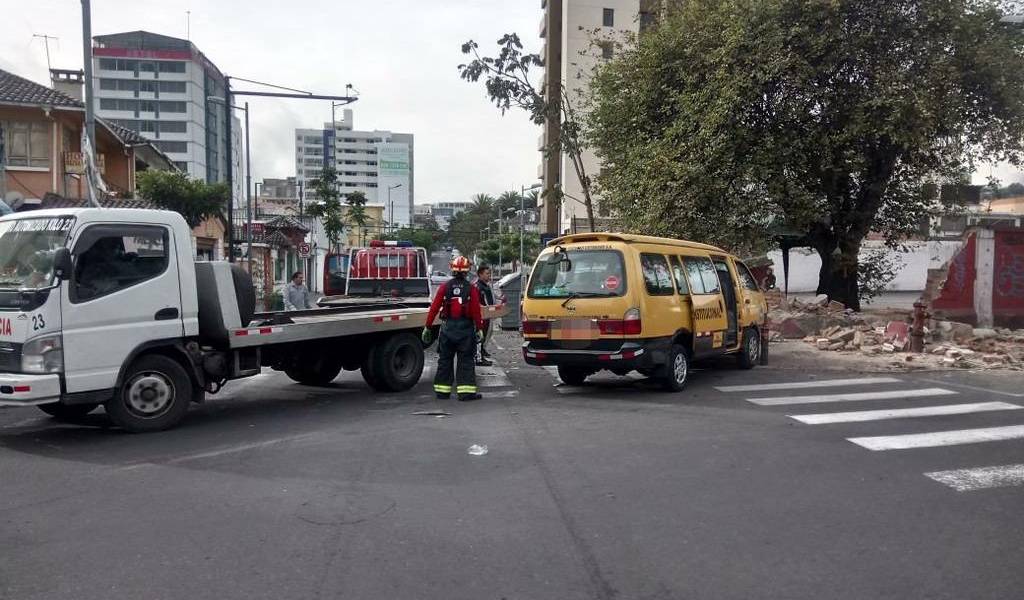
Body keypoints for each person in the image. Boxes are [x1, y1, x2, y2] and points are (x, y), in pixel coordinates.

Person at [422, 255, 484, 401]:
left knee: (445, 360)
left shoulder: (445, 287)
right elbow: (476, 311)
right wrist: (479, 328)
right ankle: (466, 393)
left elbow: (434, 308)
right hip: (465, 330)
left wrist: (427, 326)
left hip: (448, 329)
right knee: (466, 361)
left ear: (453, 270)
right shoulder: (471, 289)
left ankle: (442, 392)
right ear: (467, 271)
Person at [474, 264, 495, 366]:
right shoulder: (478, 287)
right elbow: (477, 303)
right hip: (482, 316)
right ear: (480, 274)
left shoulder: (486, 286)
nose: (489, 276)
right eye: (487, 274)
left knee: (486, 334)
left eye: (489, 273)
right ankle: (479, 358)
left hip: (487, 314)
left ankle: (482, 351)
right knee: (480, 336)